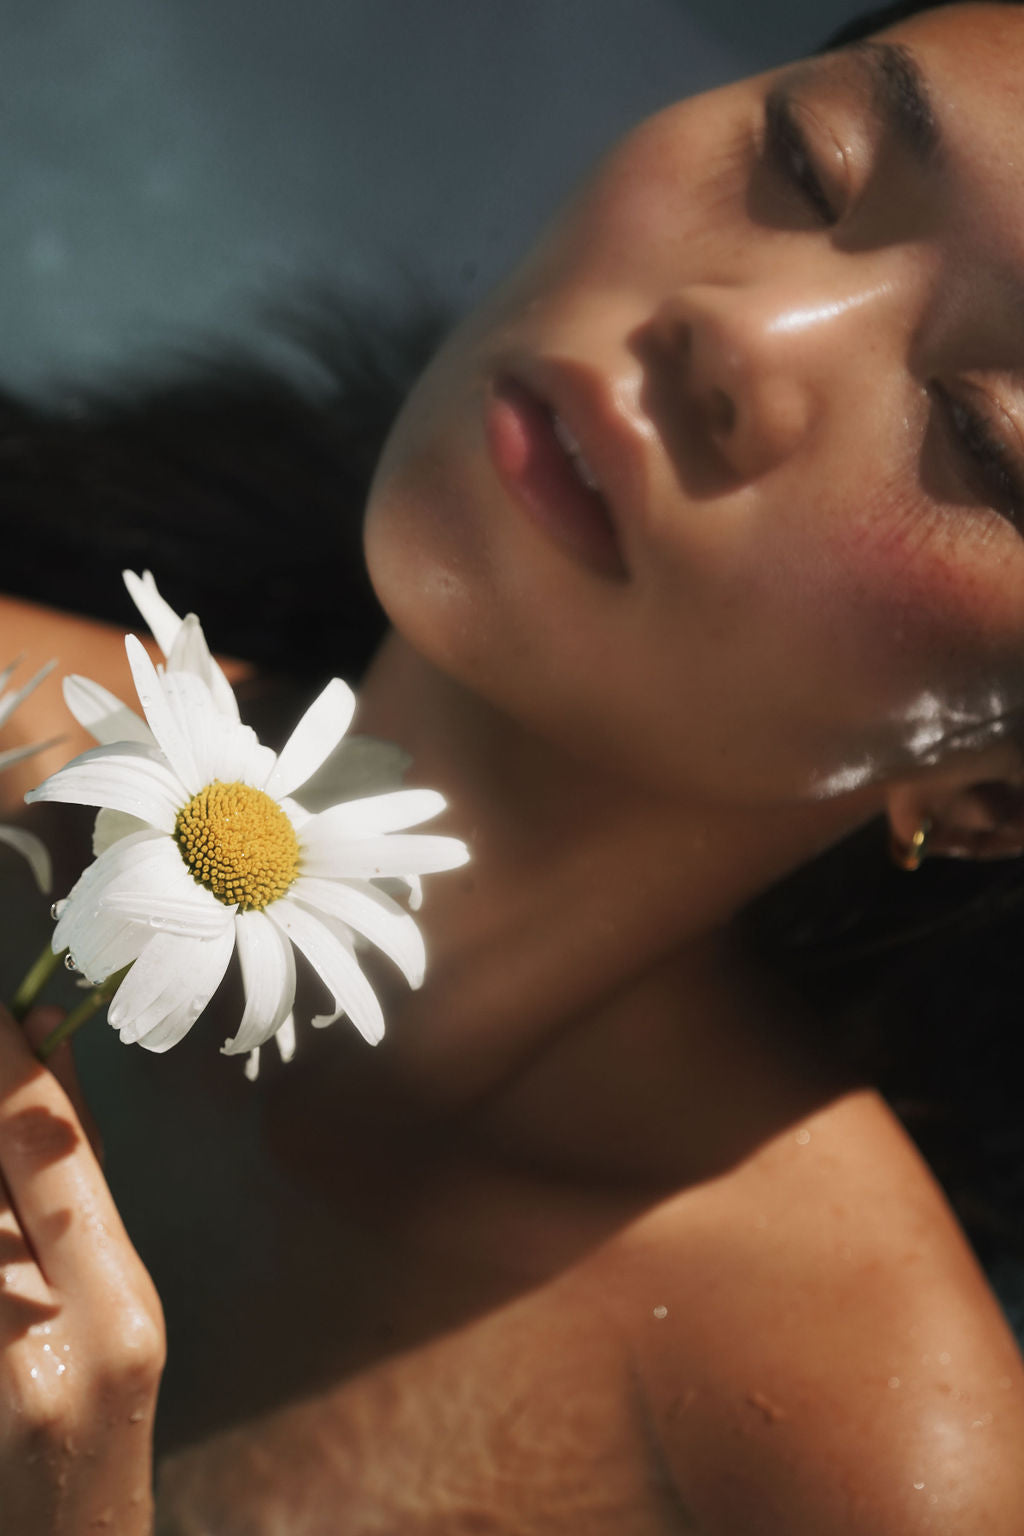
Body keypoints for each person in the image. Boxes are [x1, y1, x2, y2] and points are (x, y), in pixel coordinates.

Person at [2, 1, 1024, 1529]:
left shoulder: (858, 1461)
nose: (741, 331)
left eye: (975, 437)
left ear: (993, 790)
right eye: (811, 162)